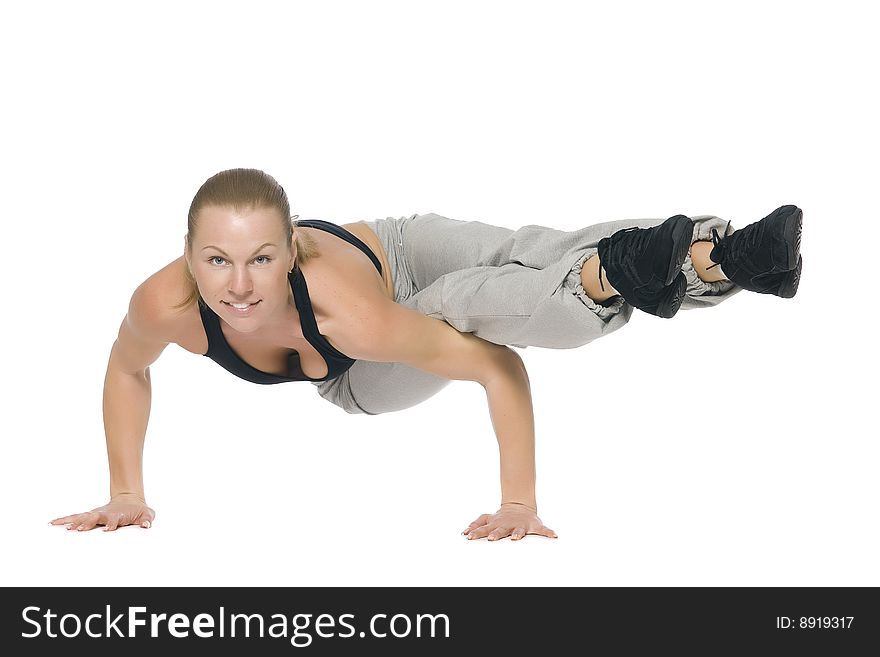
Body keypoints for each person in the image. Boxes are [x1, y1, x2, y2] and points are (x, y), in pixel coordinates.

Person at [49, 168, 803, 541]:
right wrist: (123, 488)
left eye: (261, 259)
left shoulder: (344, 302)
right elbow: (126, 367)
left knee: (526, 252)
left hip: (401, 244)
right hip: (360, 377)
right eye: (217, 260)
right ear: (188, 254)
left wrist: (517, 501)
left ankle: (718, 257)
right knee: (463, 304)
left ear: (291, 251)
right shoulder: (166, 305)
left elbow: (499, 370)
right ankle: (612, 272)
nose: (240, 286)